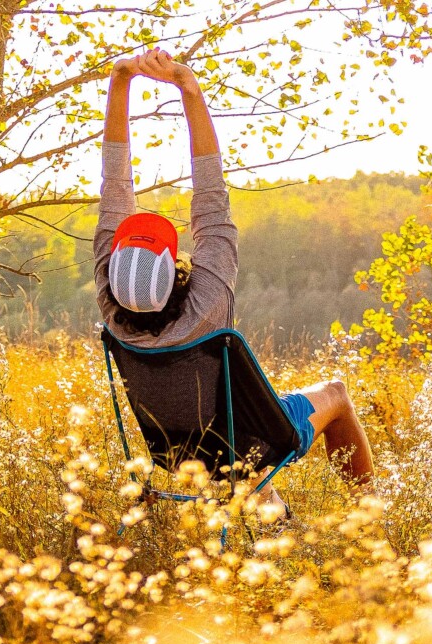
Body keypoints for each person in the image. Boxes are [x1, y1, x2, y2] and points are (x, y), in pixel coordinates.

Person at [94, 48, 374, 514]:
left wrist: (120, 81)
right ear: (175, 268)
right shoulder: (206, 303)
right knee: (336, 394)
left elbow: (113, 184)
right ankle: (371, 519)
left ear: (113, 265)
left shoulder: (110, 309)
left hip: (175, 453)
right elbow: (209, 193)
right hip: (251, 442)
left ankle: (278, 521)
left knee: (234, 435)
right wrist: (189, 88)